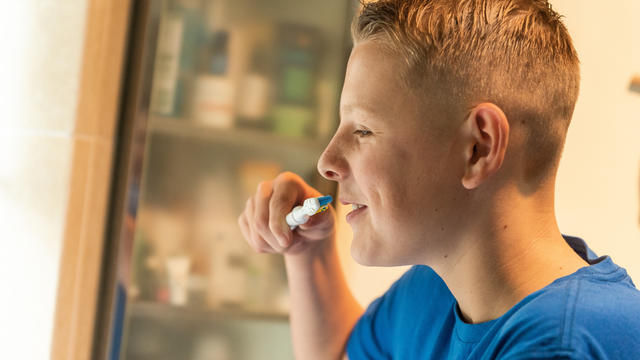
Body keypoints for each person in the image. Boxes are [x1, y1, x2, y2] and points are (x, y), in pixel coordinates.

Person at [237, 0, 640, 358]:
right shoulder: (437, 292)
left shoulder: (559, 345)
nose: (327, 162)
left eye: (363, 130)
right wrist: (308, 254)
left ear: (477, 148)